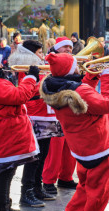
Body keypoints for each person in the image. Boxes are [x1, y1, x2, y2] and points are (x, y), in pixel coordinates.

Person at [40, 52, 109, 211]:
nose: (78, 66)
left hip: (82, 150)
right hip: (99, 148)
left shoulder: (58, 88)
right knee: (99, 196)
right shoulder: (79, 91)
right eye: (75, 64)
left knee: (84, 190)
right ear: (70, 69)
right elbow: (107, 104)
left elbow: (83, 95)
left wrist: (92, 76)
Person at [0, 52, 39, 211]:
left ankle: (5, 206)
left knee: (8, 171)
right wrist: (31, 78)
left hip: (9, 132)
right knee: (4, 173)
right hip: (7, 133)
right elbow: (19, 96)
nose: (2, 66)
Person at [8, 40, 57, 207]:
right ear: (31, 54)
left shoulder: (37, 65)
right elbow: (28, 89)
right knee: (34, 156)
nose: (42, 56)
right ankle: (26, 192)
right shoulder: (26, 67)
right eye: (39, 52)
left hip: (46, 113)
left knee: (43, 154)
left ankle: (37, 187)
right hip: (35, 113)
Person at [42, 36, 78, 195]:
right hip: (53, 113)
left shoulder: (72, 61)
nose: (69, 51)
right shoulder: (49, 63)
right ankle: (48, 180)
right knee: (54, 149)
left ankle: (66, 177)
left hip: (69, 111)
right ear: (57, 48)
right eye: (66, 48)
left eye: (70, 48)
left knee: (70, 147)